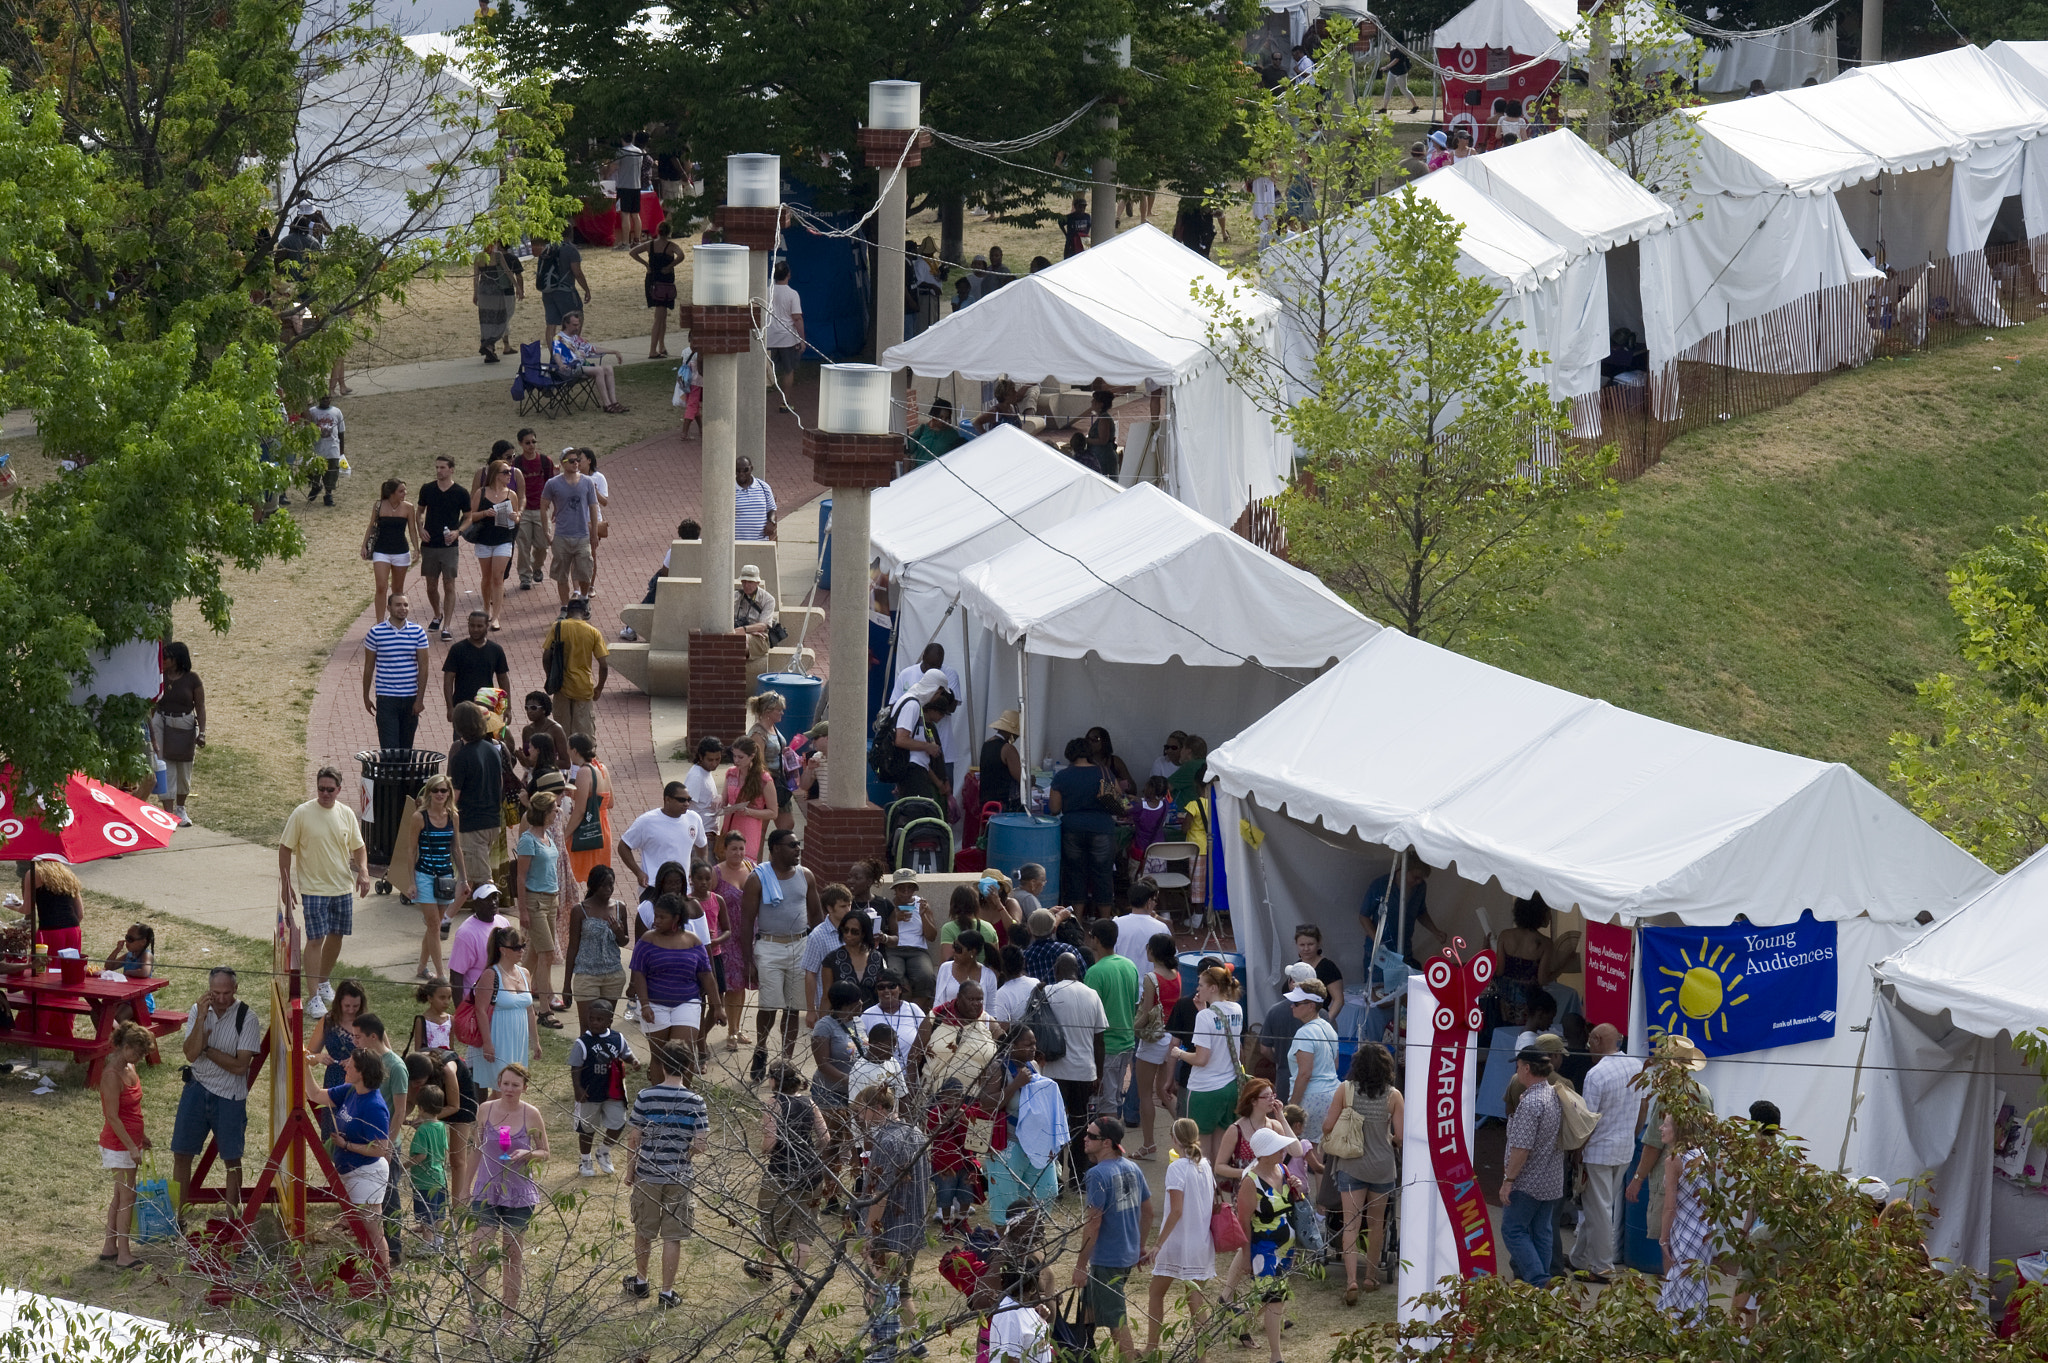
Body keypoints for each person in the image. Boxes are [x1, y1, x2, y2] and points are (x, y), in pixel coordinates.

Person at [280, 767, 371, 1019]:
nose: (325, 794)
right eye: (321, 788)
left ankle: (322, 981)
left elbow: (359, 847)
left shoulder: (346, 814)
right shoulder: (302, 813)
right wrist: (287, 884)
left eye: (330, 789)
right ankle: (313, 998)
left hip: (341, 887)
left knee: (337, 935)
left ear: (339, 790)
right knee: (315, 940)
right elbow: (285, 848)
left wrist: (363, 871)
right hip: (314, 889)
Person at [741, 828, 823, 1084]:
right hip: (769, 946)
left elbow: (817, 916)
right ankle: (761, 1049)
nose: (798, 850)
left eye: (798, 845)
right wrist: (748, 961)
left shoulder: (806, 876)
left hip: (801, 945)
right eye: (791, 845)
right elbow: (746, 921)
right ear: (775, 848)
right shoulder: (757, 878)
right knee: (769, 1004)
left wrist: (818, 954)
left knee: (793, 1007)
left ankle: (786, 1063)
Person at [468, 1060, 550, 1312]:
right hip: (486, 1191)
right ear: (499, 1084)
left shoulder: (531, 1113)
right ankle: (474, 1318)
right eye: (505, 1084)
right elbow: (476, 1150)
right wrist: (462, 1189)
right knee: (478, 1252)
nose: (509, 1089)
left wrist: (528, 1153)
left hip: (519, 1194)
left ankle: (509, 1317)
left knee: (512, 1256)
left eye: (515, 1085)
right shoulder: (485, 1109)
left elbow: (545, 1151)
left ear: (524, 1087)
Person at [306, 1046, 394, 1278]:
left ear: (363, 1072)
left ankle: (383, 1280)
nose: (345, 1065)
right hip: (350, 1171)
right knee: (360, 1229)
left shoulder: (374, 1106)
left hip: (368, 1173)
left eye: (351, 1065)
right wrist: (303, 1065)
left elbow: (381, 1149)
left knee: (372, 1231)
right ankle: (369, 1276)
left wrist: (347, 1146)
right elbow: (315, 1095)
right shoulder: (349, 1091)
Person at [1326, 1041, 1402, 1302]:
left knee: (1351, 1223)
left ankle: (1350, 1280)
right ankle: (1370, 1276)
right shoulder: (1394, 1096)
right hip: (1382, 1167)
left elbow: (1327, 1125)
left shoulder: (1345, 1090)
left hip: (1351, 1163)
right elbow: (1400, 1136)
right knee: (1377, 1224)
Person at [1072, 1116, 1153, 1357]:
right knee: (1089, 1312)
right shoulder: (1132, 1167)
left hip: (1107, 1261)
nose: (1085, 1139)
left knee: (1116, 1320)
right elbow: (1148, 1211)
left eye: (1091, 1136)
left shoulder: (1097, 1175)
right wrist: (1139, 1246)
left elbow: (1093, 1224)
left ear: (1106, 1142)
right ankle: (1081, 1353)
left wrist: (1079, 1265)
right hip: (1125, 1255)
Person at [1571, 1022, 1642, 1283]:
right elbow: (1643, 1106)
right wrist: (1632, 1135)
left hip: (1599, 1149)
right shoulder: (1635, 1065)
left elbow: (1587, 1119)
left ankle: (1602, 1267)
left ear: (1597, 1039)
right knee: (1599, 1207)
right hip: (1623, 1147)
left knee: (1599, 1210)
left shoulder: (1597, 1074)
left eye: (1590, 1041)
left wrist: (1578, 1149)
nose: (1588, 1047)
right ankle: (1579, 1258)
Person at [749, 1058, 827, 1285]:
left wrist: (763, 1151)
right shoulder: (810, 1104)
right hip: (811, 1174)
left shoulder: (773, 1105)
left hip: (782, 1173)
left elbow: (770, 1143)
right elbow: (825, 1138)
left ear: (774, 1080)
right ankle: (797, 1286)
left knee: (772, 1223)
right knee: (803, 1233)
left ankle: (766, 1270)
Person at [1145, 1117, 1216, 1354]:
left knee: (1156, 1293)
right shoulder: (1205, 1165)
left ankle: (1151, 1348)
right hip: (1201, 1243)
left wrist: (1157, 1244)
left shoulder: (1177, 1168)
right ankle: (1202, 1356)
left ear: (1175, 1138)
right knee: (1196, 1301)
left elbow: (1176, 1211)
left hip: (1177, 1243)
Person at [388, 773, 467, 980]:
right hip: (425, 875)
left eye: (444, 790)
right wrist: (411, 882)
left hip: (445, 876)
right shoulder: (419, 818)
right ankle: (441, 975)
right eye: (435, 790)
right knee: (434, 925)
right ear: (429, 792)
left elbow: (456, 849)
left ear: (449, 792)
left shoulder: (453, 816)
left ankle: (422, 967)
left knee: (435, 924)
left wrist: (464, 879)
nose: (440, 794)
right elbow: (411, 851)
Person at [632, 892, 719, 1079]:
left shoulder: (694, 941)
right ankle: (658, 1100)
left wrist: (718, 1007)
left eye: (662, 917)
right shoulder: (647, 941)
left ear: (676, 918)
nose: (656, 921)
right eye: (655, 915)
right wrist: (645, 1004)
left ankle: (682, 1103)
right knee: (659, 1056)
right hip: (654, 1005)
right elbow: (638, 974)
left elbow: (706, 975)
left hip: (687, 1003)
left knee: (683, 1055)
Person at [1040, 952, 1109, 1187]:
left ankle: (1055, 1181)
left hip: (1053, 1072)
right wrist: (1098, 1074)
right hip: (1083, 1071)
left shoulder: (1048, 992)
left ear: (1057, 971)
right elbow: (1100, 1039)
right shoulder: (1092, 995)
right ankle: (1079, 1179)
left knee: (1055, 1127)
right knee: (1081, 1126)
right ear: (1078, 971)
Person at [1499, 1045, 1566, 1286]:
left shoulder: (1530, 1103)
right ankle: (1545, 1283)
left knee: (1513, 1230)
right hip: (1551, 1179)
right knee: (1542, 1231)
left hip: (1528, 1182)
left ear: (1527, 1068)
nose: (1516, 1072)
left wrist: (1508, 1181)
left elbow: (1521, 1148)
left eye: (1518, 1067)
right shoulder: (1554, 1095)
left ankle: (1539, 1281)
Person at [1170, 964, 1245, 1164]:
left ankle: (1204, 1193)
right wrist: (1204, 1010)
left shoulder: (1204, 1017)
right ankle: (1219, 1192)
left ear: (1213, 988)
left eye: (1201, 985)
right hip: (1229, 1087)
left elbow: (1201, 1059)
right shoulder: (1236, 1009)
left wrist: (1179, 1054)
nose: (1197, 989)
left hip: (1205, 1090)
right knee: (1220, 1153)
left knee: (1200, 1154)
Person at [1238, 1125, 1300, 1363]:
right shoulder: (1250, 1181)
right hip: (1263, 1249)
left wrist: (1297, 1188)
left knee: (1272, 1296)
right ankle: (1276, 1356)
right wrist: (1245, 1255)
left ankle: (1241, 1322)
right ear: (1263, 1153)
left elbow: (1292, 1202)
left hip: (1286, 1247)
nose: (1283, 1150)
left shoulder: (1282, 1169)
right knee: (1275, 1299)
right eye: (1277, 1148)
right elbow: (1242, 1221)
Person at [97, 1020, 154, 1269]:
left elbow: (134, 1109)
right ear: (126, 1046)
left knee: (121, 1196)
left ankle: (110, 1247)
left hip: (130, 1142)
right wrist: (131, 1146)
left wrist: (142, 1137)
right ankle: (124, 1254)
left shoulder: (130, 1066)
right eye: (139, 1052)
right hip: (119, 1145)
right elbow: (112, 1116)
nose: (141, 1057)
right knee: (127, 1197)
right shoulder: (111, 1075)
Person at [566, 996, 638, 1177]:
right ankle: (585, 1160)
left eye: (599, 1019)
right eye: (591, 1018)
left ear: (609, 1021)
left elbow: (626, 1054)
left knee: (618, 1122)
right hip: (590, 1092)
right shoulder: (583, 1042)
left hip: (613, 1091)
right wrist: (578, 1089)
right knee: (587, 1128)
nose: (594, 1023)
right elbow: (575, 1068)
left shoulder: (617, 1038)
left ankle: (604, 1151)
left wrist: (634, 1061)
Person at [513, 792, 566, 1030]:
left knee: (533, 956)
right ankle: (544, 1010)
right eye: (555, 809)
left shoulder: (547, 836)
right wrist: (522, 910)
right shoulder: (528, 840)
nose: (558, 812)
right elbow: (521, 877)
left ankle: (513, 994)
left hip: (550, 900)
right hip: (535, 902)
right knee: (547, 954)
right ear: (545, 812)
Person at [1049, 737, 1117, 916]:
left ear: (1069, 754)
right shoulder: (1104, 772)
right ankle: (1105, 922)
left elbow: (1055, 809)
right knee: (1103, 875)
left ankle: (1077, 921)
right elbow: (1118, 798)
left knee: (1075, 874)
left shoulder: (1062, 776)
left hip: (1072, 829)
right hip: (1102, 828)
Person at [1658, 1108, 1713, 1323]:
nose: (1661, 1128)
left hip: (1686, 1229)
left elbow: (1670, 1206)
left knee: (1682, 1284)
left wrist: (1663, 1238)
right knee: (1693, 1286)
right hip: (1704, 1228)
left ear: (1678, 1131)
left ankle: (1686, 1333)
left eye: (1666, 1125)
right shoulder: (1701, 1154)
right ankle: (1689, 1331)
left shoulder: (1674, 1160)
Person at [469, 926, 538, 1095]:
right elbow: (480, 1011)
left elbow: (530, 1010)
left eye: (523, 946)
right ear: (503, 950)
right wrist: (487, 1043)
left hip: (518, 1039)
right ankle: (483, 1120)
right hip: (498, 1037)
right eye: (516, 947)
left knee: (515, 1086)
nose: (521, 950)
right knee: (502, 1089)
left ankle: (493, 1121)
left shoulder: (525, 973)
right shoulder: (491, 974)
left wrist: (535, 1041)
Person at [563, 865, 631, 1034]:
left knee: (605, 1025)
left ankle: (606, 1060)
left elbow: (624, 942)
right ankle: (585, 1059)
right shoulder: (580, 910)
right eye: (603, 885)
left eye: (611, 884)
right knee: (587, 1026)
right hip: (587, 974)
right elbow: (573, 947)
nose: (608, 889)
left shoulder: (619, 907)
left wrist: (618, 932)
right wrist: (566, 984)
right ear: (592, 886)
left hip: (613, 975)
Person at [1083, 920, 1139, 1119]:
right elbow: (1134, 1004)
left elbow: (1088, 1015)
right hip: (1126, 1043)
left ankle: (1110, 1145)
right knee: (1113, 1098)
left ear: (1096, 939)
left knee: (1106, 1103)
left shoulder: (1095, 972)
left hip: (1107, 1047)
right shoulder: (1129, 966)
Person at [411, 457, 471, 640]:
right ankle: (438, 615)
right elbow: (419, 511)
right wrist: (420, 528)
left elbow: (468, 517)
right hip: (430, 544)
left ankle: (447, 626)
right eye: (437, 467)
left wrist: (458, 532)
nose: (439, 471)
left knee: (449, 584)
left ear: (452, 469)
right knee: (430, 586)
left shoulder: (460, 492)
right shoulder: (427, 489)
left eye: (443, 467)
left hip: (449, 545)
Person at [446, 701, 506, 884]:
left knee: (482, 880)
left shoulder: (461, 757)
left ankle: (489, 912)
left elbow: (454, 796)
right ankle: (448, 914)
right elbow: (500, 784)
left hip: (472, 825)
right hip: (492, 822)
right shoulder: (493, 750)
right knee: (467, 879)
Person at [361, 589, 429, 750]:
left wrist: (419, 700)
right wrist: (366, 696)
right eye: (398, 605)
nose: (403, 608)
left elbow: (424, 667)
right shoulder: (376, 633)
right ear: (388, 608)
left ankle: (405, 776)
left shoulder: (418, 632)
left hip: (410, 698)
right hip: (386, 699)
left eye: (405, 605)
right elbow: (369, 667)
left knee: (406, 749)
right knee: (390, 749)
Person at [1133, 934, 1181, 1156]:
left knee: (1145, 1094)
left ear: (1152, 951)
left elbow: (1145, 1013)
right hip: (1170, 1037)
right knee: (1163, 1091)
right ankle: (1186, 1132)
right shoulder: (1176, 975)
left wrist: (1130, 1027)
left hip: (1152, 1038)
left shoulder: (1151, 978)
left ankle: (1149, 1143)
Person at [617, 781, 708, 895]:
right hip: (653, 888)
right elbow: (623, 846)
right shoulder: (647, 821)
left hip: (683, 889)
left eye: (688, 800)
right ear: (667, 799)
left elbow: (702, 844)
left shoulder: (694, 819)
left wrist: (700, 868)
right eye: (681, 800)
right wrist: (638, 872)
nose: (686, 804)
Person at [151, 641, 206, 826]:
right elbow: (152, 703)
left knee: (184, 767)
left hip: (184, 722)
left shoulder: (192, 679)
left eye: (167, 656)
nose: (163, 660)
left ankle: (181, 809)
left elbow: (200, 706)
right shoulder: (160, 677)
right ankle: (168, 813)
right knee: (163, 765)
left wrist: (203, 732)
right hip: (161, 721)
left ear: (177, 659)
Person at [1359, 855, 1439, 979]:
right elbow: (1363, 916)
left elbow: (1421, 912)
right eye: (1416, 877)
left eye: (1421, 879)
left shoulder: (1421, 887)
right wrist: (1378, 941)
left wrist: (1435, 931)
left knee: (1401, 990)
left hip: (1404, 950)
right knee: (1377, 991)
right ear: (1404, 870)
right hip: (1380, 952)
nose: (1419, 881)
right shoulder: (1381, 885)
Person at [540, 447, 602, 607]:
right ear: (562, 463)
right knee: (561, 575)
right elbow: (544, 507)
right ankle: (565, 606)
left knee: (585, 573)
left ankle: (583, 600)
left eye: (578, 460)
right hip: (561, 536)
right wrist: (547, 532)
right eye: (571, 461)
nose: (576, 463)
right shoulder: (552, 484)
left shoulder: (587, 482)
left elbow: (593, 508)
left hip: (582, 536)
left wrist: (594, 533)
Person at [887, 667, 956, 806]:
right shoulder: (911, 705)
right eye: (939, 693)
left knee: (918, 814)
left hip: (915, 769)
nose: (937, 698)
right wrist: (928, 747)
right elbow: (900, 739)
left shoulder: (911, 703)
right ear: (936, 690)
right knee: (920, 816)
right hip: (913, 771)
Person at [542, 598, 609, 741]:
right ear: (585, 613)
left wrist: (549, 676)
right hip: (584, 687)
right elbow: (603, 665)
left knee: (561, 734)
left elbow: (546, 656)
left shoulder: (558, 627)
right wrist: (599, 688)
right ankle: (582, 762)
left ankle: (564, 761)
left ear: (568, 613)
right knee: (584, 737)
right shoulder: (593, 632)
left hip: (561, 686)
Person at [467, 460, 521, 629]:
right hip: (484, 539)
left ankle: (496, 616)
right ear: (496, 475)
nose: (509, 475)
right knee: (487, 577)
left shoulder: (511, 494)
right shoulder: (481, 493)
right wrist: (484, 513)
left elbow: (518, 516)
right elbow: (470, 516)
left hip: (504, 539)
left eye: (509, 472)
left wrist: (515, 517)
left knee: (498, 577)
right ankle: (485, 608)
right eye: (505, 472)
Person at [1285, 981, 1341, 1144]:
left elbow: (1304, 1074)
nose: (1291, 1006)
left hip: (1311, 1100)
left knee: (1307, 1152)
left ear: (1311, 1005)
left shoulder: (1304, 1032)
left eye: (1296, 1003)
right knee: (1324, 1150)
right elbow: (1335, 1065)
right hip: (1333, 1095)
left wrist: (1292, 1106)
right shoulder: (1328, 1027)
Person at [361, 478, 419, 627]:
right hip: (382, 551)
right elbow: (371, 526)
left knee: (397, 589)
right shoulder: (379, 506)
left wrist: (416, 549)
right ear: (392, 493)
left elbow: (412, 529)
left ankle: (396, 620)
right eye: (401, 491)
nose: (404, 493)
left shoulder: (408, 507)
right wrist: (364, 546)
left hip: (401, 551)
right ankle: (380, 622)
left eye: (405, 490)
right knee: (381, 586)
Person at [405, 1081, 451, 1250]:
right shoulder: (441, 1126)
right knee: (439, 1213)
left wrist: (405, 1165)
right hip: (440, 1178)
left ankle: (427, 1244)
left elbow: (421, 1155)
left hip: (424, 1180)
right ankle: (439, 1241)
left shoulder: (423, 1130)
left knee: (426, 1215)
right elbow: (445, 1150)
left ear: (421, 1108)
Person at [508, 433, 555, 593]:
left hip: (541, 510)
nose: (531, 445)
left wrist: (556, 507)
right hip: (524, 511)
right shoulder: (517, 464)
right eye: (527, 442)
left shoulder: (545, 461)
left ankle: (537, 567)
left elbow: (551, 485)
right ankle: (525, 577)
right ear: (521, 444)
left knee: (543, 545)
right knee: (523, 546)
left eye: (534, 441)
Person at [885, 868, 940, 1004]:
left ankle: (916, 1014)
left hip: (917, 950)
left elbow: (932, 936)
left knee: (926, 977)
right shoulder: (887, 905)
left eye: (910, 888)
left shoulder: (921, 904)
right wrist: (894, 919)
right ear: (895, 889)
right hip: (894, 949)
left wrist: (923, 915)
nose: (906, 893)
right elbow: (880, 933)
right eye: (902, 889)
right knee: (893, 976)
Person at [745, 691, 796, 832]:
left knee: (787, 825)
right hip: (765, 783)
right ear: (768, 711)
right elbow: (757, 763)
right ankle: (758, 854)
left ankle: (778, 853)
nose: (782, 713)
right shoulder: (758, 734)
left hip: (780, 781)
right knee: (760, 829)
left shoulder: (773, 727)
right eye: (778, 710)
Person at [631, 222, 684, 358]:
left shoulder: (650, 244)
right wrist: (670, 266)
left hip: (652, 280)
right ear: (669, 232)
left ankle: (662, 346)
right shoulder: (671, 246)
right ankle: (653, 350)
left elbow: (633, 252)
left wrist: (646, 264)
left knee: (662, 316)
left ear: (658, 231)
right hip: (664, 282)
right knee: (659, 317)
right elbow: (681, 255)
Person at [535, 228, 590, 350]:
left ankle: (554, 356)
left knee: (551, 325)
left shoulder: (547, 249)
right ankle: (569, 351)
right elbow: (577, 272)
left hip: (547, 291)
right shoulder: (570, 250)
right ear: (570, 233)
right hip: (565, 291)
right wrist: (586, 289)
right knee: (575, 318)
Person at [860, 971, 926, 1068]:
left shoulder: (913, 1010)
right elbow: (862, 1048)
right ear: (877, 991)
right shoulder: (867, 1015)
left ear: (900, 989)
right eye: (881, 987)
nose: (886, 990)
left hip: (912, 1073)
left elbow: (926, 1037)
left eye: (892, 986)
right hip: (879, 1076)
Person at [763, 261, 805, 408]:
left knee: (765, 371)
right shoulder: (792, 294)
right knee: (788, 370)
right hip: (787, 339)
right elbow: (797, 318)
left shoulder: (766, 291)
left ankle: (759, 402)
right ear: (788, 274)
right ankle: (785, 403)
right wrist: (802, 339)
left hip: (769, 337)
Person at [472, 240, 522, 362]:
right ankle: (489, 345)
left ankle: (488, 347)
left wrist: (475, 293)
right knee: (499, 318)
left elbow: (476, 277)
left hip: (484, 290)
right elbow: (507, 272)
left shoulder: (478, 257)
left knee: (486, 319)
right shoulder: (498, 256)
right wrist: (517, 287)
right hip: (495, 290)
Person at [1111, 882, 1170, 974]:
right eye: (1154, 900)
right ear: (1149, 902)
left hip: (1123, 984)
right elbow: (1170, 958)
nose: (1155, 904)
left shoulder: (1116, 924)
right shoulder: (1161, 927)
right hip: (1153, 985)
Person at [1023, 907, 1085, 985]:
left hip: (1036, 997)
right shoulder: (1069, 950)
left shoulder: (1024, 957)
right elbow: (1083, 977)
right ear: (1054, 929)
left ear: (1029, 931)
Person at [732, 563, 780, 661]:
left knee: (739, 642)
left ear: (757, 582)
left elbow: (763, 625)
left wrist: (744, 629)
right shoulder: (735, 596)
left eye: (750, 582)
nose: (746, 585)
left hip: (758, 638)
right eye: (744, 582)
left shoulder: (768, 599)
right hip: (736, 633)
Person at [304, 392, 345, 506]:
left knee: (331, 473)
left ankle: (328, 495)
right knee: (313, 471)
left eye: (328, 398)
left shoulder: (336, 412)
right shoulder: (313, 411)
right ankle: (315, 486)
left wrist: (341, 450)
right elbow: (307, 426)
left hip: (332, 448)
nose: (326, 400)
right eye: (323, 398)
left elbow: (341, 431)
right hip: (317, 447)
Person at [981, 709, 1023, 811]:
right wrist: (1032, 779)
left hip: (987, 801)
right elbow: (1021, 778)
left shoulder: (986, 744)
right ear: (1011, 733)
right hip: (1003, 804)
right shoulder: (1008, 749)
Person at [614, 132, 647, 247]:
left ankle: (625, 242)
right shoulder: (639, 151)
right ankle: (637, 240)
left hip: (624, 185)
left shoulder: (621, 152)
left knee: (625, 214)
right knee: (635, 214)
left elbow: (615, 167)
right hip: (636, 186)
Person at [909, 397, 964, 466]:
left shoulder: (952, 435)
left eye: (946, 418)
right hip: (920, 472)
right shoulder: (922, 429)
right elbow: (909, 450)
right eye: (940, 417)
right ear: (934, 416)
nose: (943, 421)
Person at [734, 456, 777, 541]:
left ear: (751, 469)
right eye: (738, 470)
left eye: (745, 470)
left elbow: (772, 509)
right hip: (737, 543)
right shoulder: (729, 489)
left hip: (760, 542)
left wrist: (771, 522)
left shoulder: (763, 487)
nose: (741, 473)